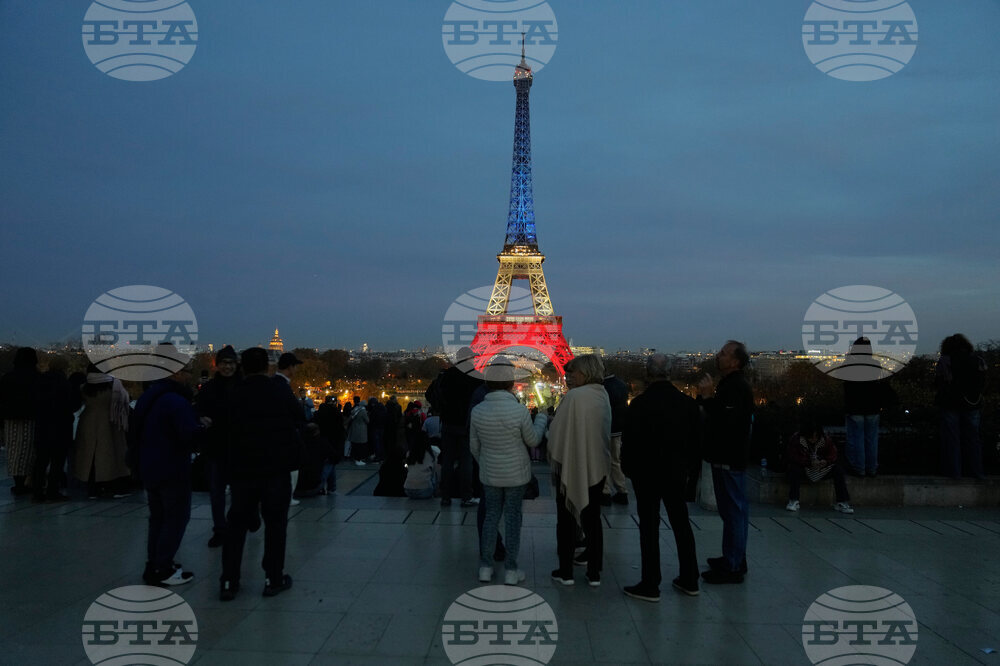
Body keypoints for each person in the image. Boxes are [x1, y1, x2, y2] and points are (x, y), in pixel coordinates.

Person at [220, 347, 301, 601]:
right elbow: (298, 417)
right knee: (275, 525)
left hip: (243, 469)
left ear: (243, 367)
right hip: (274, 468)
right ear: (268, 366)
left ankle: (229, 581)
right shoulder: (279, 391)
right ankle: (273, 578)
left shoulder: (234, 393)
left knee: (236, 527)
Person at [621, 354, 700, 601]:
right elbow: (696, 443)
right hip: (676, 473)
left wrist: (628, 470)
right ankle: (690, 578)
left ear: (647, 373)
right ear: (671, 372)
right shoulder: (687, 404)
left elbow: (629, 442)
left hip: (646, 474)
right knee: (681, 524)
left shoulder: (639, 404)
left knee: (648, 527)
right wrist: (689, 472)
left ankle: (650, 583)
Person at [470, 361, 548, 585]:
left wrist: (486, 463)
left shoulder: (477, 411)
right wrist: (541, 419)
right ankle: (511, 570)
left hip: (490, 473)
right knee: (513, 520)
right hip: (516, 475)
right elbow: (533, 440)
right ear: (511, 383)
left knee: (490, 518)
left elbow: (474, 447)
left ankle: (485, 567)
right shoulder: (519, 410)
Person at [134, 356, 202, 586]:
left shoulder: (149, 396)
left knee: (158, 519)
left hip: (149, 465)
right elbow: (189, 435)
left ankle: (154, 564)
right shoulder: (176, 401)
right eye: (187, 371)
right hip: (172, 467)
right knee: (175, 518)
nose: (190, 376)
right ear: (176, 373)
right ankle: (162, 567)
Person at [547, 354, 611, 587]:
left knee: (566, 520)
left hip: (571, 465)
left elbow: (557, 432)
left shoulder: (574, 397)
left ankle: (566, 571)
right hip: (596, 465)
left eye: (573, 372)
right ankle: (594, 572)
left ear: (585, 373)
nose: (569, 377)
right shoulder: (602, 395)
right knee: (593, 520)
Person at [698, 340, 754, 585]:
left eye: (723, 353)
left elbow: (725, 422)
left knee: (733, 513)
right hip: (727, 457)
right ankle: (734, 558)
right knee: (731, 513)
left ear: (735, 362)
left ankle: (733, 566)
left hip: (728, 458)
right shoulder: (732, 384)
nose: (718, 355)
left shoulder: (735, 387)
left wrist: (707, 397)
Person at [194, 345, 241, 547]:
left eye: (230, 363)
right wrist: (201, 418)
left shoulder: (238, 387)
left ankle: (233, 524)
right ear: (218, 365)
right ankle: (221, 528)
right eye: (224, 363)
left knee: (233, 492)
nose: (227, 367)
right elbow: (198, 410)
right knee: (217, 492)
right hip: (218, 447)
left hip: (235, 447)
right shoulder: (214, 388)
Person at [428, 347, 483, 507]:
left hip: (447, 422)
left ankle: (445, 496)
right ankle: (466, 496)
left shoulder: (447, 375)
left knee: (447, 460)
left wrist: (441, 408)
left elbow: (430, 394)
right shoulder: (476, 377)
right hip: (467, 423)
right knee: (466, 461)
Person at [74, 363, 131, 499]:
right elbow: (125, 402)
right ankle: (114, 487)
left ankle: (93, 489)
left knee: (90, 456)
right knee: (112, 455)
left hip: (88, 422)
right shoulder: (114, 386)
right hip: (111, 422)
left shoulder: (84, 388)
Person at [936, 334, 987, 479]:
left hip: (950, 403)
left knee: (952, 439)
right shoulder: (977, 360)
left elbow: (939, 382)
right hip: (972, 403)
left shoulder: (945, 361)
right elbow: (982, 382)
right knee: (973, 439)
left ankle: (954, 472)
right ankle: (976, 472)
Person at [842, 337, 893, 477]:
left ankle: (859, 468)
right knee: (871, 439)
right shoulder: (876, 364)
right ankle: (872, 468)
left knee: (856, 439)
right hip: (873, 407)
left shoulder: (850, 365)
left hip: (855, 407)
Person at [32, 356, 81, 502]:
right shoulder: (64, 383)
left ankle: (37, 492)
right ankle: (52, 491)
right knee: (57, 462)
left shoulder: (39, 381)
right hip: (61, 427)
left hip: (42, 426)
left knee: (41, 461)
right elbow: (73, 405)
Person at [785, 418, 854, 514]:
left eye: (816, 437)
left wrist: (825, 461)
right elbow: (793, 456)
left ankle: (842, 502)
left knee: (838, 470)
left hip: (821, 468)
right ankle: (793, 500)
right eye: (811, 437)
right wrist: (809, 462)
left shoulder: (825, 439)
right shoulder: (797, 439)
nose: (813, 439)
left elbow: (833, 453)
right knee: (794, 469)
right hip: (804, 467)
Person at [0, 347, 40, 496]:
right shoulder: (36, 377)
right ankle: (28, 481)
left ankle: (18, 482)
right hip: (31, 419)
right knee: (29, 451)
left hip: (10, 419)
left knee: (14, 451)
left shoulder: (8, 377)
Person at [273, 352, 306, 505]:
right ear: (290, 367)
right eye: (295, 367)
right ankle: (287, 496)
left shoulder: (273, 382)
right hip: (284, 437)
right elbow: (297, 412)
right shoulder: (283, 386)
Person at [601, 369, 630, 506]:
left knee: (603, 461)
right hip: (618, 429)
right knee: (615, 461)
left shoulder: (602, 387)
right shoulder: (622, 384)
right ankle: (622, 490)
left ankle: (605, 492)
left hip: (605, 428)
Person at [314, 396, 345, 494]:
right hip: (334, 441)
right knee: (330, 463)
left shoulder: (319, 413)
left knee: (328, 463)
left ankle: (331, 487)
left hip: (321, 440)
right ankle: (324, 486)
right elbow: (340, 428)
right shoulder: (336, 413)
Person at [403, 433, 439, 499]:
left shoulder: (409, 453)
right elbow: (434, 471)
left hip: (408, 489)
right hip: (425, 490)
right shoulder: (432, 454)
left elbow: (406, 466)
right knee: (433, 477)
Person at [346, 396, 370, 465]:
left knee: (355, 445)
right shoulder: (363, 411)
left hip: (354, 429)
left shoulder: (356, 409)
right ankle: (358, 460)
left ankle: (355, 458)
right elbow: (367, 421)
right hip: (361, 430)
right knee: (360, 445)